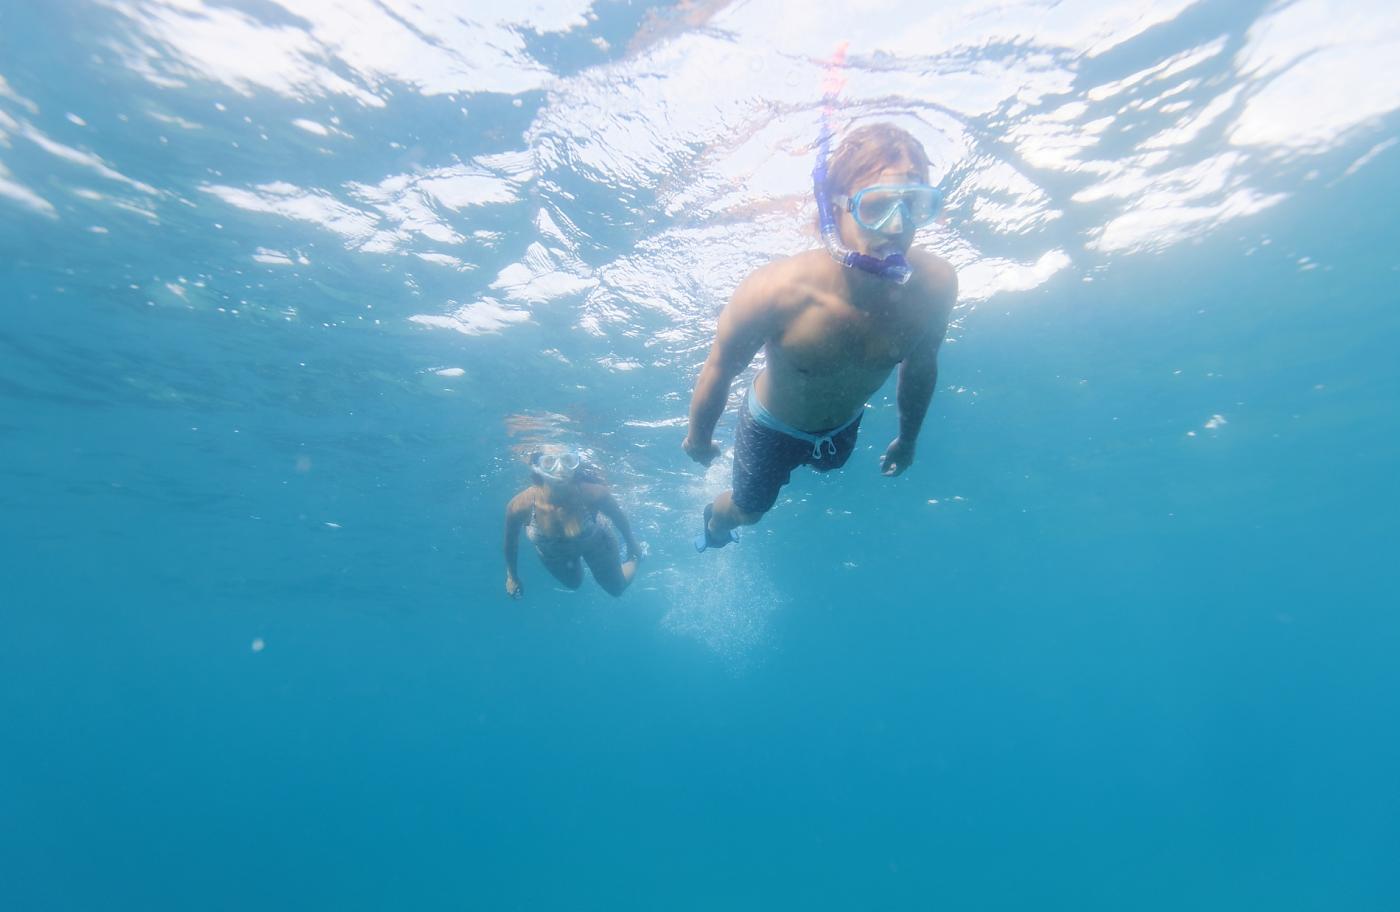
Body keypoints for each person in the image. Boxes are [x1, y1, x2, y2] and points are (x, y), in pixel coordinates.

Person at [682, 123, 957, 550]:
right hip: (770, 428)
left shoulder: (935, 286)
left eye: (914, 205)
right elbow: (720, 366)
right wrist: (698, 437)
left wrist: (908, 440)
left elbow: (922, 365)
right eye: (876, 206)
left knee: (830, 467)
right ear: (834, 208)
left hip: (842, 428)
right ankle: (715, 522)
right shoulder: (775, 291)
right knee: (750, 512)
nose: (896, 227)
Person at [503, 448, 643, 598]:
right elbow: (511, 543)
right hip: (554, 554)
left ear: (576, 464)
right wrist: (512, 576)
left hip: (596, 543)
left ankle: (635, 560)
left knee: (616, 588)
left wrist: (632, 546)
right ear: (537, 467)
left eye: (567, 461)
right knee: (573, 584)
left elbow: (619, 518)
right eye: (549, 462)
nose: (560, 469)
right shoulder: (519, 505)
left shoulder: (594, 493)